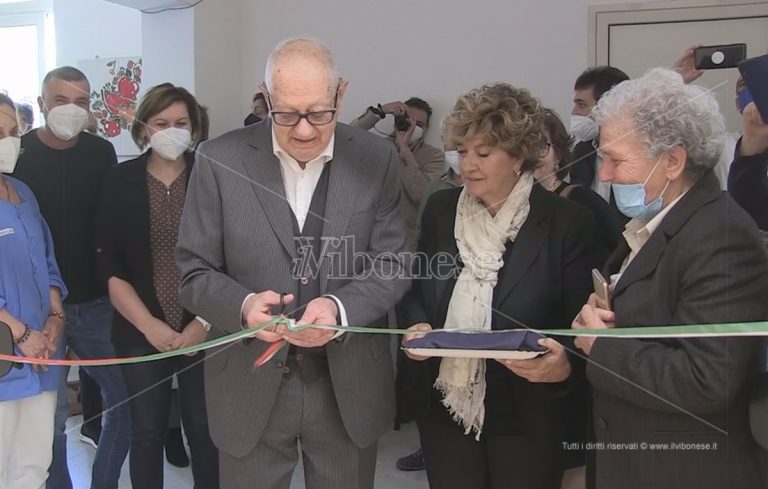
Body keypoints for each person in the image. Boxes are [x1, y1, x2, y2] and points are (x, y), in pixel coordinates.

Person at [175, 37, 409, 489]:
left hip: (348, 388)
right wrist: (242, 306)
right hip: (247, 381)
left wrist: (341, 310)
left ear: (341, 94)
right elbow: (193, 270)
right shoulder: (218, 160)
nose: (303, 130)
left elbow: (393, 261)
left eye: (320, 113)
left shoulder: (376, 159)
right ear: (264, 97)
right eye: (285, 114)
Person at [572, 68, 768, 489]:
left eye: (616, 160)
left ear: (673, 161)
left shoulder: (721, 234)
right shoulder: (652, 223)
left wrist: (601, 348)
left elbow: (710, 378)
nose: (603, 175)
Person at [398, 83, 598, 489]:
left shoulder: (566, 221)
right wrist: (417, 326)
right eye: (462, 151)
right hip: (445, 406)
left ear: (519, 157)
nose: (467, 164)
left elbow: (581, 322)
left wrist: (563, 364)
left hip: (528, 410)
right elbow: (418, 288)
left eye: (484, 153)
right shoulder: (440, 209)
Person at [13, 66, 130, 489]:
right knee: (52, 416)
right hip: (42, 313)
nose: (70, 110)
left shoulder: (101, 153)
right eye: (61, 101)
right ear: (42, 103)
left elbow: (112, 226)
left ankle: (104, 483)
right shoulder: (19, 154)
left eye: (81, 102)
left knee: (125, 401)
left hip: (98, 303)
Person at [97, 82, 218, 488]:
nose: (172, 130)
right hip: (138, 327)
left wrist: (201, 323)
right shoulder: (118, 180)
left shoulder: (211, 175)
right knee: (146, 432)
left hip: (205, 325)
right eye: (161, 122)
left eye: (181, 122)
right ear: (144, 128)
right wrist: (151, 326)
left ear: (194, 126)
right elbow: (110, 265)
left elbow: (232, 258)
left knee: (204, 432)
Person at [0, 93, 67, 489]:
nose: (8, 141)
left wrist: (54, 318)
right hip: (9, 354)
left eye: (13, 132)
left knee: (33, 465)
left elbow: (48, 262)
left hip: (43, 353)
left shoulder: (23, 192)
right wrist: (21, 334)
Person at [350, 98, 445, 250]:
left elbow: (421, 194)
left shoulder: (434, 156)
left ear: (426, 129)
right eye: (407, 120)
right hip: (367, 236)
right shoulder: (378, 147)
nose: (412, 127)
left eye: (418, 124)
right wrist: (380, 111)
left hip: (404, 241)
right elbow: (346, 139)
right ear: (396, 122)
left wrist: (404, 149)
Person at [534, 108, 623, 252]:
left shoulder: (582, 200)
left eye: (541, 146)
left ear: (558, 155)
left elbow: (615, 250)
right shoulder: (510, 203)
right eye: (523, 147)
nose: (532, 156)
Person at [569, 66, 629, 201]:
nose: (574, 113)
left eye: (581, 105)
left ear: (609, 107)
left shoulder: (635, 157)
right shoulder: (582, 151)